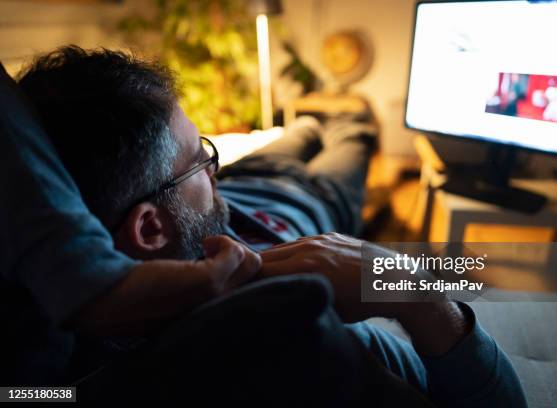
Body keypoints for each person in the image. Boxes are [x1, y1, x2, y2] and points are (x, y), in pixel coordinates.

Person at [13, 46, 527, 406]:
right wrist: (414, 291)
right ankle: (332, 126)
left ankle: (306, 128)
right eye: (201, 161)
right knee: (351, 130)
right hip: (309, 198)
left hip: (258, 175)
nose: (214, 170)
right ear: (149, 230)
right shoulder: (274, 315)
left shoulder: (45, 288)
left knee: (303, 125)